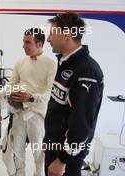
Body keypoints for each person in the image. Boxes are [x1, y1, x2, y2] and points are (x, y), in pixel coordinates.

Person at [43, 12, 104, 176]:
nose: (48, 39)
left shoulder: (87, 71)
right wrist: (47, 140)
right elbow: (58, 107)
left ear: (66, 34)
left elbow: (82, 123)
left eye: (52, 33)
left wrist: (62, 159)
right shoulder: (65, 62)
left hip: (67, 157)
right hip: (55, 146)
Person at [0, 28, 57, 176]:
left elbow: (50, 94)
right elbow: (11, 84)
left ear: (40, 44)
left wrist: (31, 97)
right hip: (18, 113)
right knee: (16, 151)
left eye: (28, 42)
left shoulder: (51, 64)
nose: (23, 46)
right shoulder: (20, 62)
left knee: (39, 152)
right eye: (23, 42)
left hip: (37, 116)